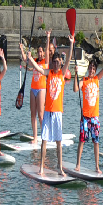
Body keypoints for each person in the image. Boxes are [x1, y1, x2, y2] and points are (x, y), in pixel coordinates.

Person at [23, 35, 73, 176]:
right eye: (55, 62)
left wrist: (71, 43)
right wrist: (30, 58)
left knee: (58, 142)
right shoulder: (49, 73)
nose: (56, 64)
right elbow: (38, 69)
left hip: (57, 113)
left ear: (60, 63)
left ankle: (60, 168)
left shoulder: (62, 74)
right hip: (48, 112)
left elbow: (68, 59)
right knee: (44, 140)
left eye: (58, 62)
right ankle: (42, 168)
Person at [73, 47, 103, 173]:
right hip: (85, 117)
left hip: (95, 117)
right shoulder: (84, 81)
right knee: (82, 141)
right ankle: (78, 164)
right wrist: (76, 74)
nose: (91, 70)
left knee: (96, 142)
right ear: (87, 70)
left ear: (95, 70)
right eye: (90, 68)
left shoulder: (96, 79)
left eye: (93, 69)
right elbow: (75, 89)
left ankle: (97, 166)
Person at [26, 31, 52, 144]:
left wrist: (48, 37)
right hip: (33, 88)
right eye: (39, 52)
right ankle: (35, 137)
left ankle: (44, 136)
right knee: (33, 114)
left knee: (41, 115)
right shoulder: (35, 61)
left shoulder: (45, 61)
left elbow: (47, 51)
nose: (40, 53)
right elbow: (27, 60)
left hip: (42, 88)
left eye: (41, 52)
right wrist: (23, 51)